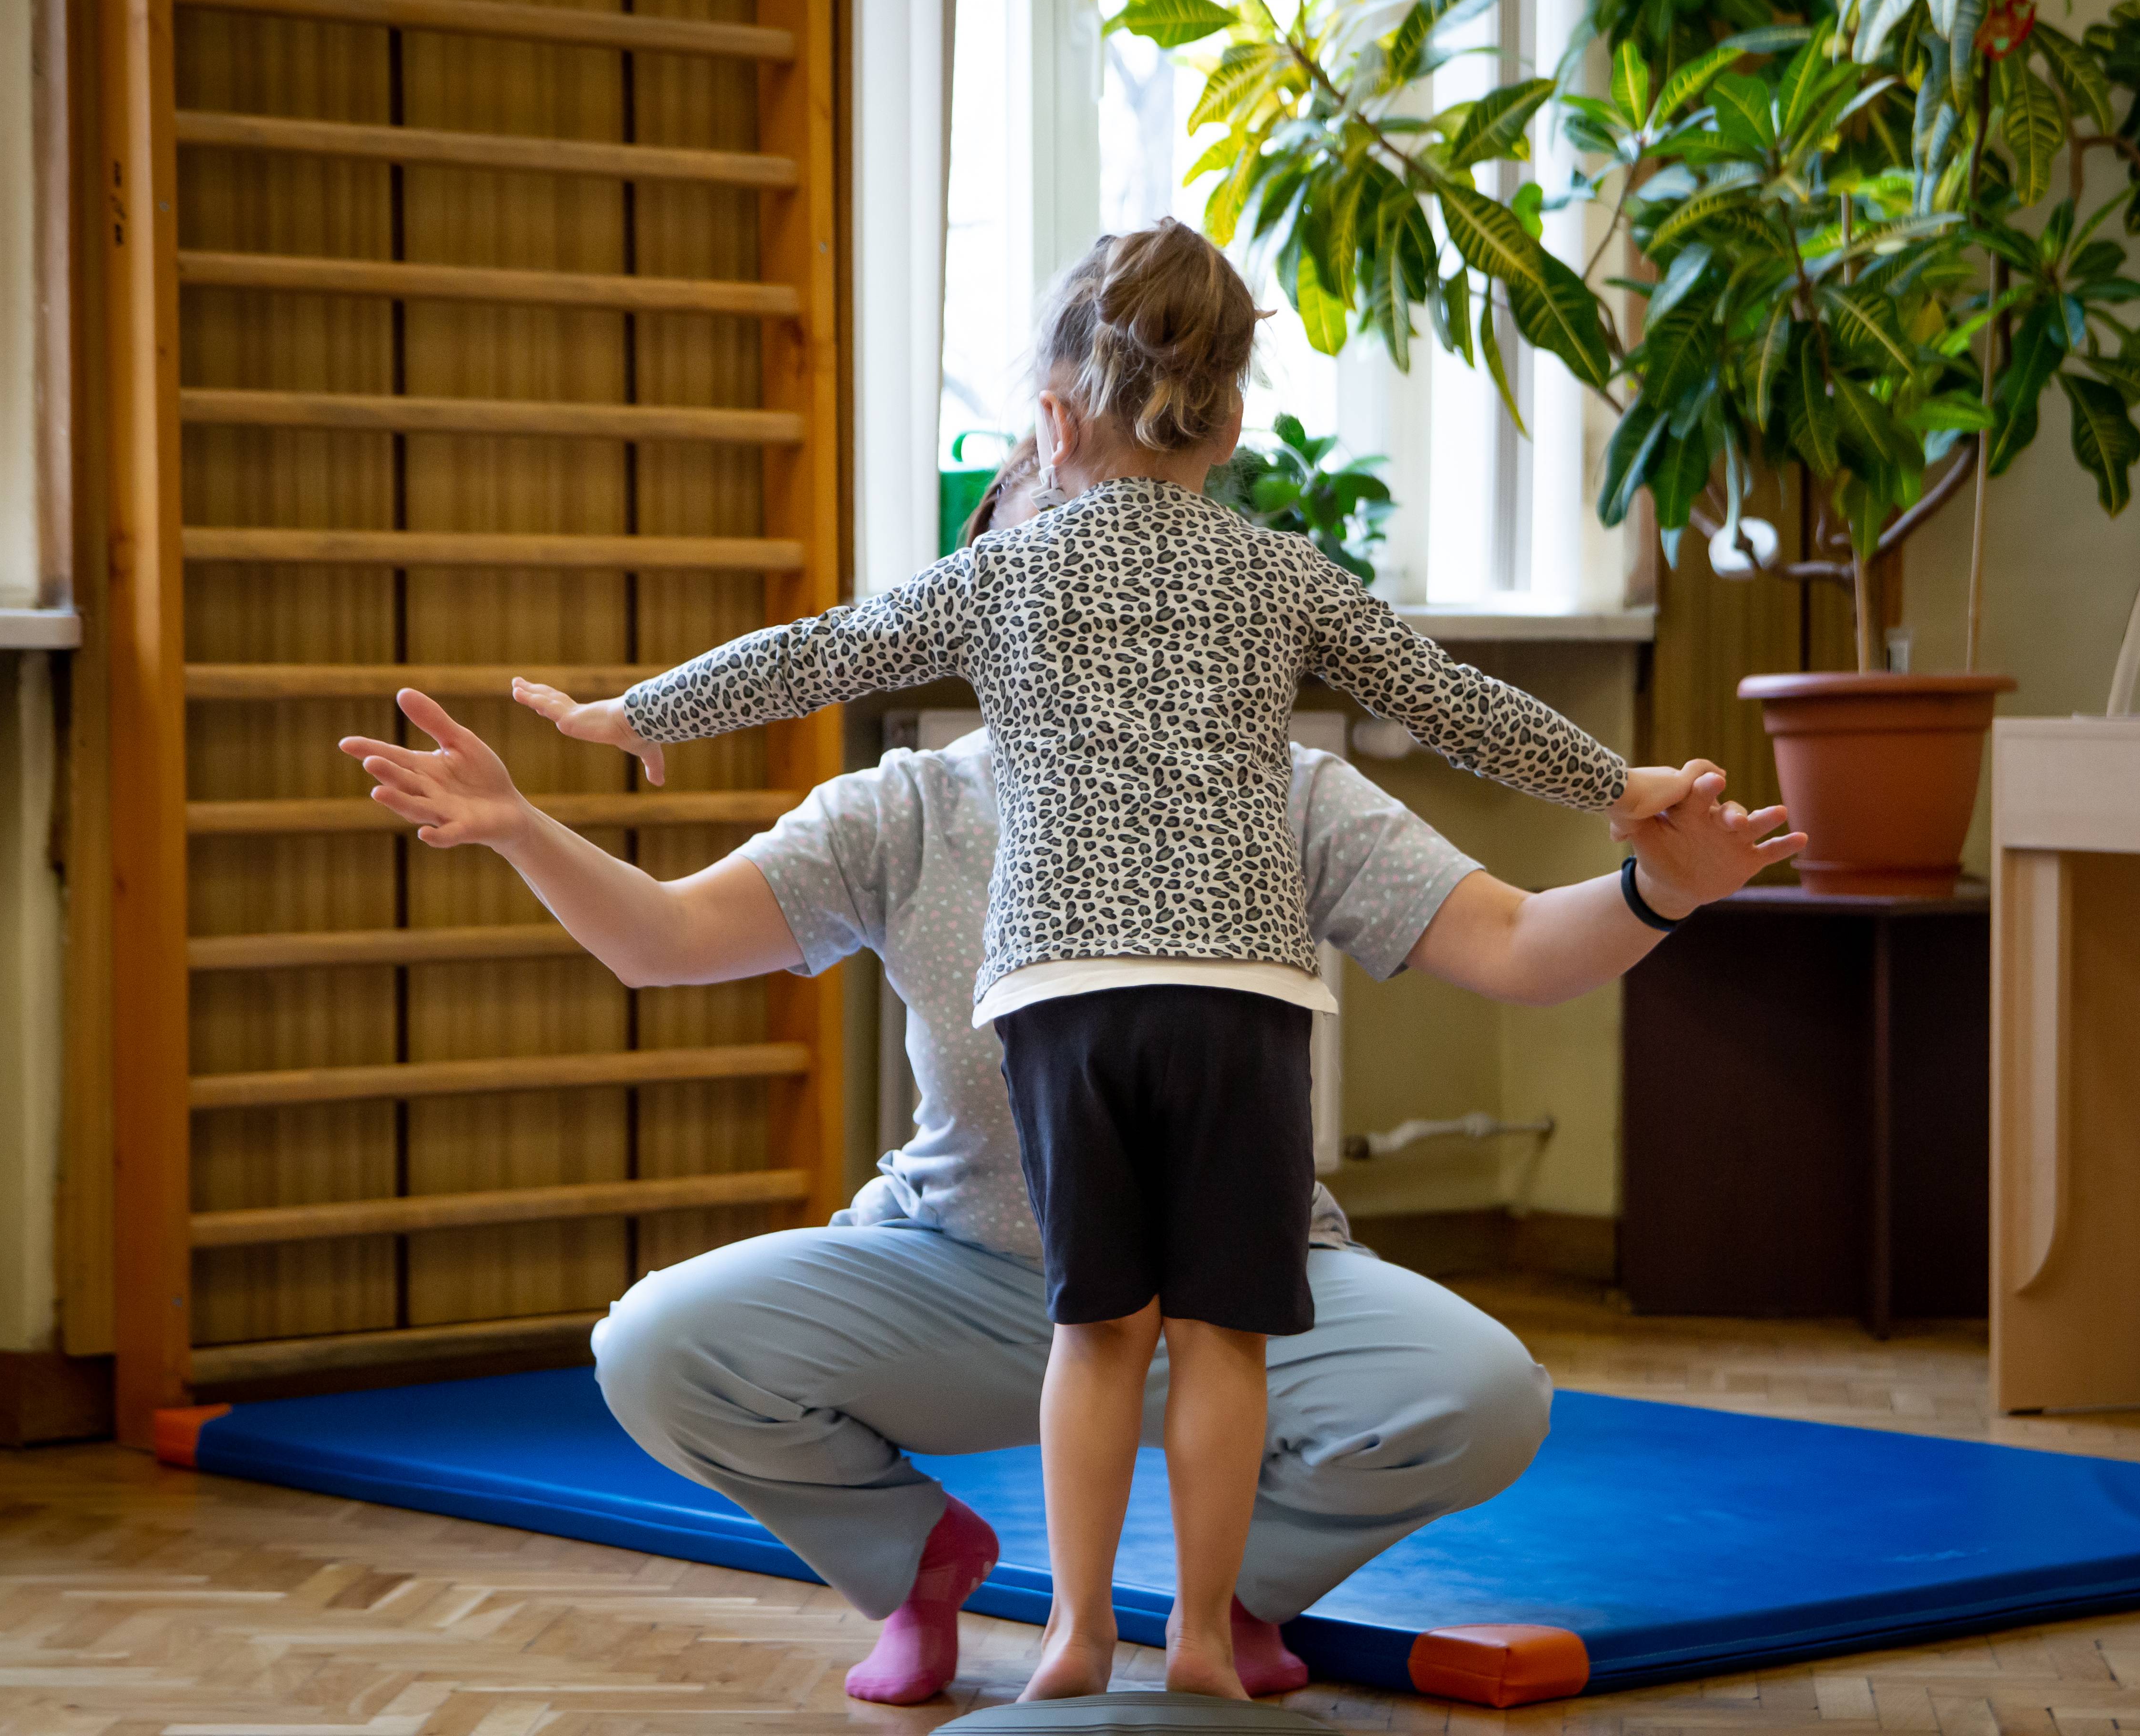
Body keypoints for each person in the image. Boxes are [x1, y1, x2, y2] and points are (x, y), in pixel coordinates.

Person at [494, 220, 1710, 1702]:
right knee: (1212, 1338)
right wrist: (1621, 784)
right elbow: (1451, 701)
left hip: (1065, 997)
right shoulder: (1272, 580)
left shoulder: (1011, 576)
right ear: (1232, 420)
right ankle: (1165, 1630)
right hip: (1213, 1025)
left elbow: (823, 650)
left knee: (1108, 1329)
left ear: (1056, 427)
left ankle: (1099, 1631)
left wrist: (638, 715)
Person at [339, 672, 1801, 1704]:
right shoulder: (912, 807)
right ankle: (916, 1567)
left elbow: (1517, 947)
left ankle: (1232, 1599)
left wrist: (1661, 889)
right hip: (967, 1275)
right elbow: (664, 940)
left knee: (1481, 1396)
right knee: (659, 1344)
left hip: (1247, 1292)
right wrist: (523, 827)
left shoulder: (1286, 790)